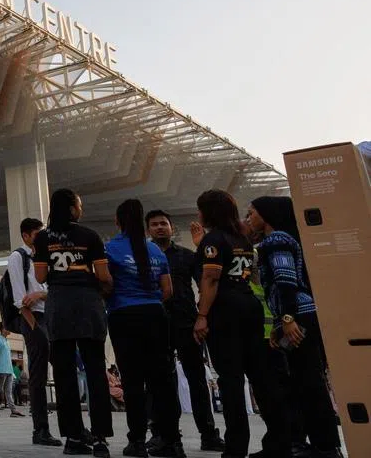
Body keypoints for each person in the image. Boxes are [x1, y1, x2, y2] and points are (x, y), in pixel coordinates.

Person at [192, 189, 290, 458]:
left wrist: (201, 316)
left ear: (208, 211)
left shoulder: (213, 240)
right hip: (250, 306)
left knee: (231, 380)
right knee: (261, 377)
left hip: (225, 309)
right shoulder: (242, 239)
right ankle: (280, 442)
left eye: (201, 208)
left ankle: (235, 448)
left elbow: (210, 279)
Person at [247, 196, 342, 458]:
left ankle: (325, 447)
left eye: (252, 213)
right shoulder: (286, 238)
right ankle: (322, 444)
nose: (248, 219)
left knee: (309, 381)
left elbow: (285, 279)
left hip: (298, 315)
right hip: (298, 315)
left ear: (266, 215)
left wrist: (287, 320)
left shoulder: (276, 240)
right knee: (305, 381)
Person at [33, 188, 114, 457]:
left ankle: (73, 438)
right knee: (95, 372)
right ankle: (100, 437)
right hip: (88, 304)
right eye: (79, 204)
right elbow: (103, 275)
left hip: (59, 306)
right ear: (71, 208)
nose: (81, 208)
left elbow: (42, 275)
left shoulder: (43, 238)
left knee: (64, 373)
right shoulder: (90, 236)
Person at [105, 199, 183, 458]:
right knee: (162, 381)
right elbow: (168, 290)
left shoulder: (111, 249)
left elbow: (105, 283)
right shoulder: (156, 252)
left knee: (133, 381)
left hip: (123, 316)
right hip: (156, 316)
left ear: (118, 221)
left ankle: (136, 441)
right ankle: (172, 441)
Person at [144, 210, 224, 452]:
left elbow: (206, 283)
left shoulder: (187, 256)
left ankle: (208, 433)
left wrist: (203, 316)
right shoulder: (143, 256)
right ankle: (162, 433)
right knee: (158, 381)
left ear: (171, 228)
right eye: (155, 225)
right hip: (155, 323)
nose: (160, 228)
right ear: (148, 230)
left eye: (164, 224)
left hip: (186, 323)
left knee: (197, 379)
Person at [8, 218, 62, 447]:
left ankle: (72, 428)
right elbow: (20, 300)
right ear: (26, 236)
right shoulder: (17, 258)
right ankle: (40, 430)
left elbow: (52, 291)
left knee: (62, 370)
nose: (43, 239)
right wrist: (34, 329)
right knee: (38, 375)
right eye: (38, 235)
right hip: (32, 319)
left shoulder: (45, 258)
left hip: (50, 317)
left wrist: (40, 295)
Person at [0, 323, 23, 417]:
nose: (10, 330)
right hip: (2, 370)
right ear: (3, 329)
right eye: (8, 328)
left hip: (9, 370)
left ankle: (13, 410)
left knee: (8, 391)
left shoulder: (6, 341)